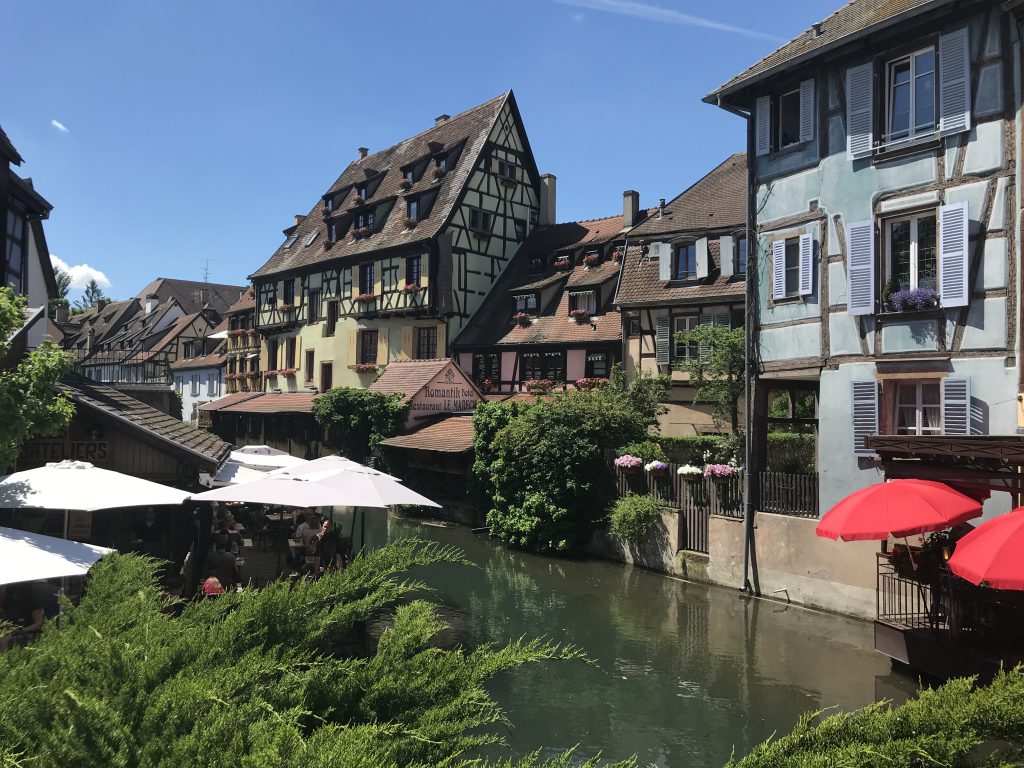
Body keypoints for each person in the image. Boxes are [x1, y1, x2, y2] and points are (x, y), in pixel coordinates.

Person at [0, 583, 44, 652]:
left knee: (12, 641)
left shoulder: (33, 604)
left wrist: (23, 630)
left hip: (31, 634)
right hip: (12, 633)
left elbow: (38, 624)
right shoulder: (8, 604)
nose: (15, 596)